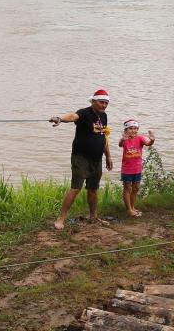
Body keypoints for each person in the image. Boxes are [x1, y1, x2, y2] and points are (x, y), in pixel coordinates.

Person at [50, 90, 113, 229]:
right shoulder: (85, 113)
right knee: (75, 188)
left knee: (93, 189)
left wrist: (108, 156)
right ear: (93, 101)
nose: (104, 105)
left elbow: (104, 137)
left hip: (97, 159)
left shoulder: (104, 116)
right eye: (102, 102)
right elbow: (73, 116)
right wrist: (60, 118)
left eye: (106, 103)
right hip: (81, 157)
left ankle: (93, 217)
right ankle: (60, 219)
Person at [119, 119, 155, 217]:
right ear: (126, 130)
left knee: (136, 188)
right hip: (127, 169)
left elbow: (148, 144)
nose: (133, 130)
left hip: (137, 169)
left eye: (135, 128)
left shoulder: (140, 138)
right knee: (127, 189)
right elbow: (120, 144)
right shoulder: (125, 140)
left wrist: (152, 139)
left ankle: (132, 207)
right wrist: (123, 138)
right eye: (130, 128)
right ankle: (129, 209)